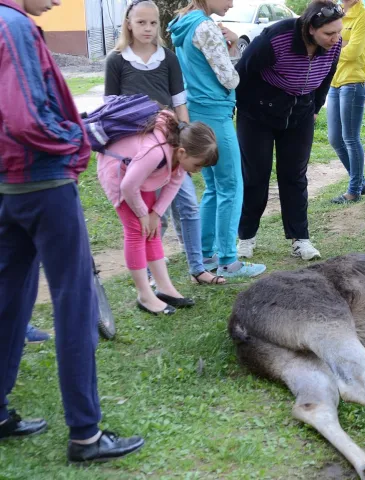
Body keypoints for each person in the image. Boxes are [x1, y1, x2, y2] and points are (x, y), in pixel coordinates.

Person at [0, 0, 144, 461]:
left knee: (10, 301)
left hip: (10, 186)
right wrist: (77, 142)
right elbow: (27, 118)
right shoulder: (14, 25)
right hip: (44, 185)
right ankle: (85, 435)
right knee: (75, 303)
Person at [105, 0, 224, 286]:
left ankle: (197, 268)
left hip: (170, 143)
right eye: (141, 22)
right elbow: (110, 109)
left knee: (187, 206)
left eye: (153, 23)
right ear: (129, 24)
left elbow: (180, 103)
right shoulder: (117, 60)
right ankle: (147, 272)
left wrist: (182, 135)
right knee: (151, 211)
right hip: (139, 152)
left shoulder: (168, 58)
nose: (147, 28)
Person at [235, 1, 343, 261]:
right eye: (329, 33)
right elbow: (242, 72)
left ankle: (300, 239)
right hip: (257, 113)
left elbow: (327, 77)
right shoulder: (277, 37)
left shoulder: (334, 45)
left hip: (301, 112)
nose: (336, 39)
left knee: (295, 176)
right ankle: (245, 238)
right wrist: (239, 107)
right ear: (310, 28)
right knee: (255, 177)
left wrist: (316, 106)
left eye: (339, 32)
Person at [169, 0, 266, 278]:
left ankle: (206, 255)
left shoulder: (182, 24)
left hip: (195, 109)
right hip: (215, 112)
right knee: (231, 186)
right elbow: (229, 79)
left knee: (213, 187)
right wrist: (233, 47)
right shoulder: (205, 26)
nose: (232, 3)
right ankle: (228, 260)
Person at [97, 111, 216, 315]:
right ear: (182, 152)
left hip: (140, 176)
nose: (198, 171)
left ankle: (165, 288)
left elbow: (173, 185)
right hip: (119, 173)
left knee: (153, 228)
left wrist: (155, 214)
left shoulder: (177, 156)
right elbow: (127, 186)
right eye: (197, 164)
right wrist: (143, 213)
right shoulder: (156, 152)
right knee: (136, 230)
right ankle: (145, 295)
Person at [328, 0, 365, 204]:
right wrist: (341, 44)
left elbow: (354, 52)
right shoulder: (334, 13)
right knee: (335, 139)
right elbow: (322, 44)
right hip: (335, 82)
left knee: (350, 138)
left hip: (354, 82)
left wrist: (334, 44)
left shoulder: (364, 16)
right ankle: (360, 183)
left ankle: (353, 190)